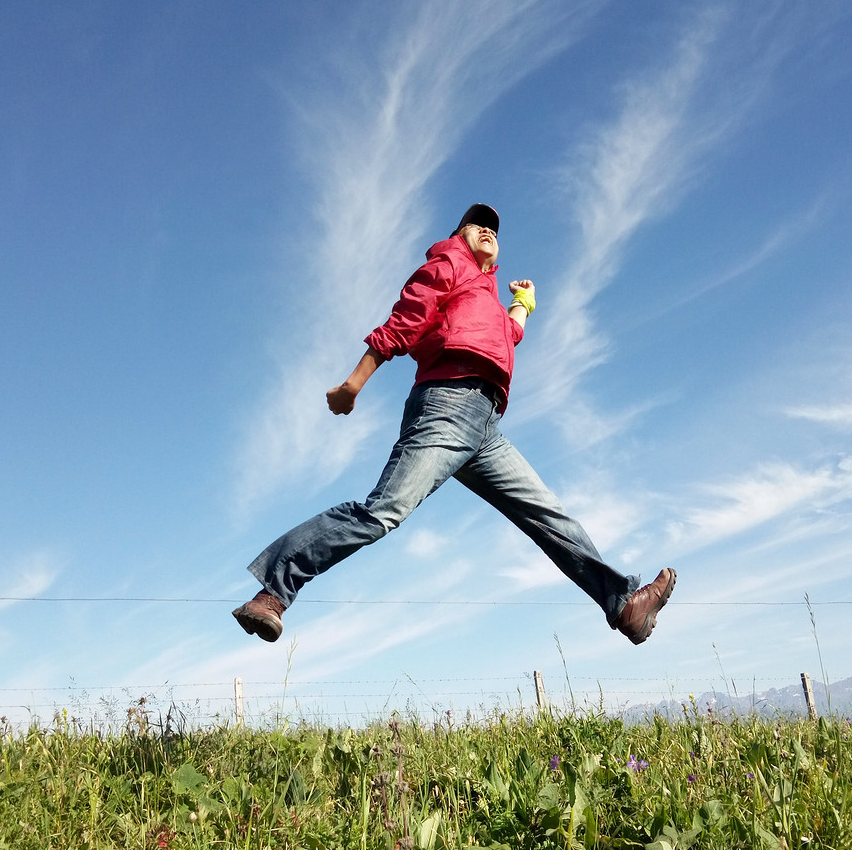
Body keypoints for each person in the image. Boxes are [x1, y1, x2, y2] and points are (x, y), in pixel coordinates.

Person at [234, 204, 675, 644]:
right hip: (446, 405)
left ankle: (623, 606)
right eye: (476, 224)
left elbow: (510, 332)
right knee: (383, 511)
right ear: (458, 234)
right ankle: (272, 592)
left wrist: (523, 303)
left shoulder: (485, 291)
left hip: (485, 426)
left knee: (547, 514)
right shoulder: (448, 262)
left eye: (493, 228)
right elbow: (404, 321)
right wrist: (353, 384)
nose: (486, 229)